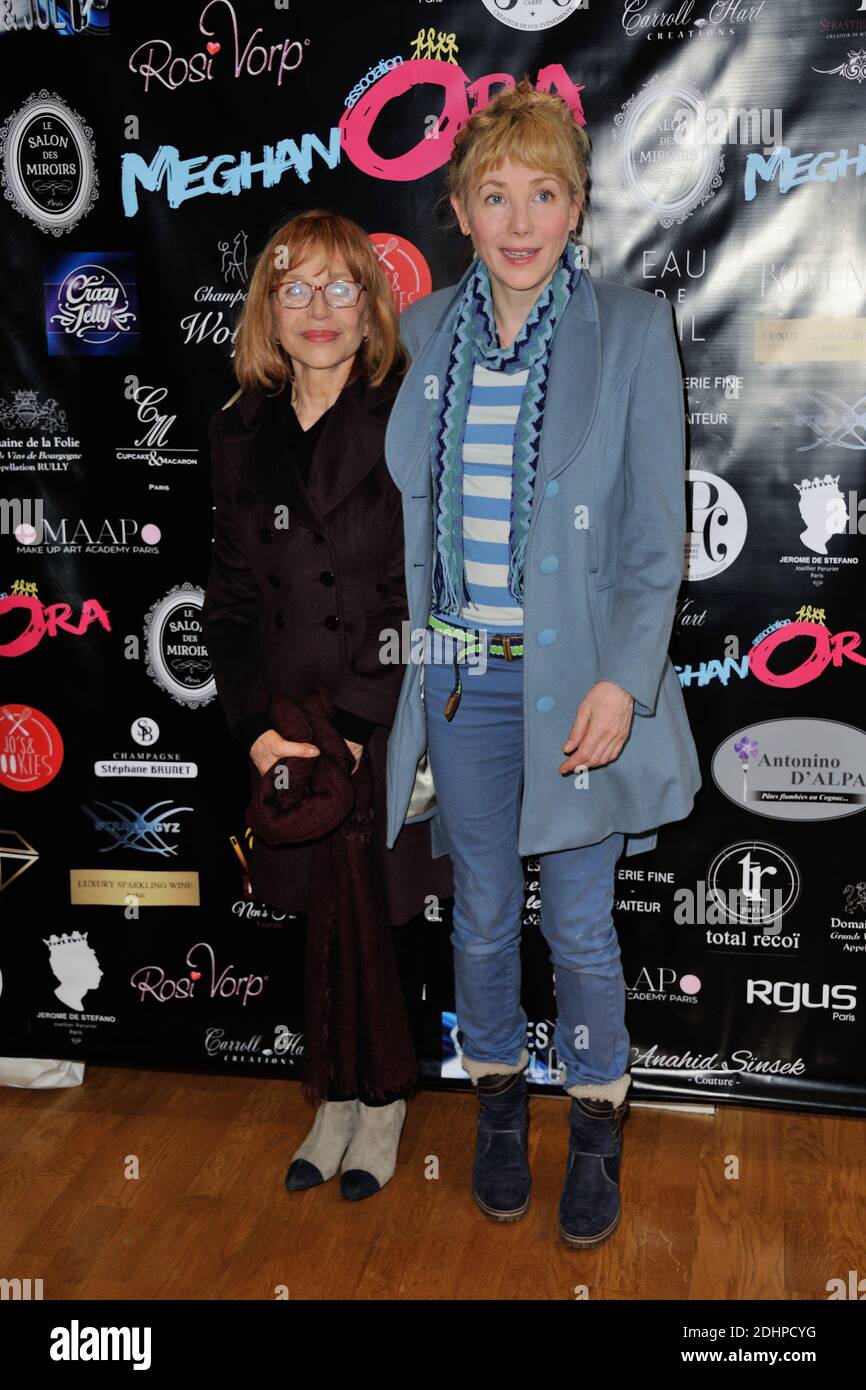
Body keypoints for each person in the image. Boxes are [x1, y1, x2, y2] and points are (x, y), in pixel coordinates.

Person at [383, 81, 701, 1247]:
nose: (518, 220)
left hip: (576, 688)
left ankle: (599, 1124)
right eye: (494, 194)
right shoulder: (417, 338)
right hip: (460, 684)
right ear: (459, 209)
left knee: (575, 926)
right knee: (475, 920)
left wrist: (621, 676)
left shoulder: (626, 329)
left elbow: (648, 534)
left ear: (575, 208)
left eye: (544, 193)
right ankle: (499, 1108)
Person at [201, 209, 452, 1203]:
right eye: (292, 287)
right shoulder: (235, 427)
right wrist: (256, 725)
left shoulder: (402, 416)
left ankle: (381, 1101)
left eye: (338, 287)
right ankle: (330, 1098)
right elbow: (225, 596)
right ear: (267, 305)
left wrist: (347, 725)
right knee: (314, 920)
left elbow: (407, 587)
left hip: (375, 721)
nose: (315, 308)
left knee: (381, 920)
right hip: (282, 727)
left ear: (368, 305)